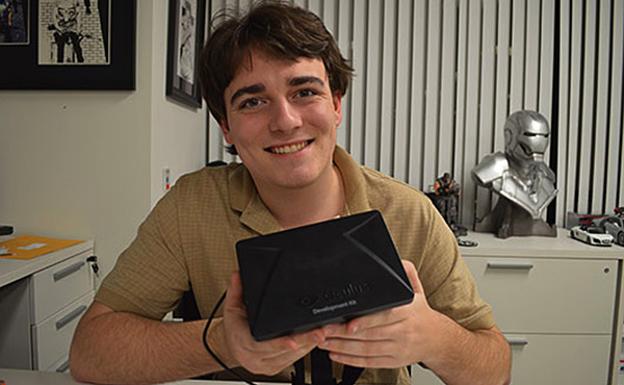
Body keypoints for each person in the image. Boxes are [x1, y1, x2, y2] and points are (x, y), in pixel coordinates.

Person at [69, 2, 511, 384]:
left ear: (336, 104)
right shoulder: (191, 207)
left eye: (304, 91)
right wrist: (222, 341)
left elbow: (495, 369)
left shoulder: (410, 212)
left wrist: (433, 338)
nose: (285, 122)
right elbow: (90, 352)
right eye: (252, 101)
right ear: (225, 125)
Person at [472, 110, 557, 238]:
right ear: (510, 136)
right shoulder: (494, 168)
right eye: (530, 134)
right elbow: (479, 176)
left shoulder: (545, 174)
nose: (538, 140)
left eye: (544, 135)